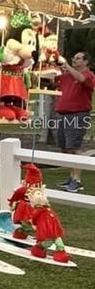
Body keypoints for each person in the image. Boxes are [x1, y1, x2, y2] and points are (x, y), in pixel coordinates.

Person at [54, 51, 94, 193]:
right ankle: (72, 177)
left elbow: (83, 79)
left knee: (74, 148)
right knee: (65, 148)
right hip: (64, 115)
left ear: (86, 62)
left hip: (78, 116)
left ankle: (77, 181)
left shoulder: (88, 75)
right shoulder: (67, 76)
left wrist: (67, 66)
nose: (74, 60)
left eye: (78, 58)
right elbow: (53, 81)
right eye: (74, 58)